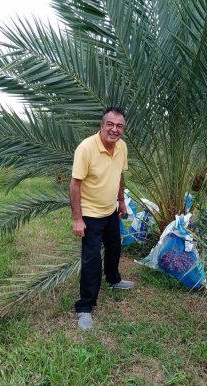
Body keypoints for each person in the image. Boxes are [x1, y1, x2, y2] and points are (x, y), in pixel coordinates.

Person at [70, 107, 135, 330]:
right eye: (110, 124)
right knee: (91, 260)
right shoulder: (86, 148)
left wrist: (122, 201)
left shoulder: (122, 147)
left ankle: (114, 279)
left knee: (115, 247)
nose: (114, 130)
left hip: (110, 210)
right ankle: (85, 308)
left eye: (119, 126)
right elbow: (75, 184)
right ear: (102, 125)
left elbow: (119, 175)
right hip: (90, 214)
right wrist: (78, 219)